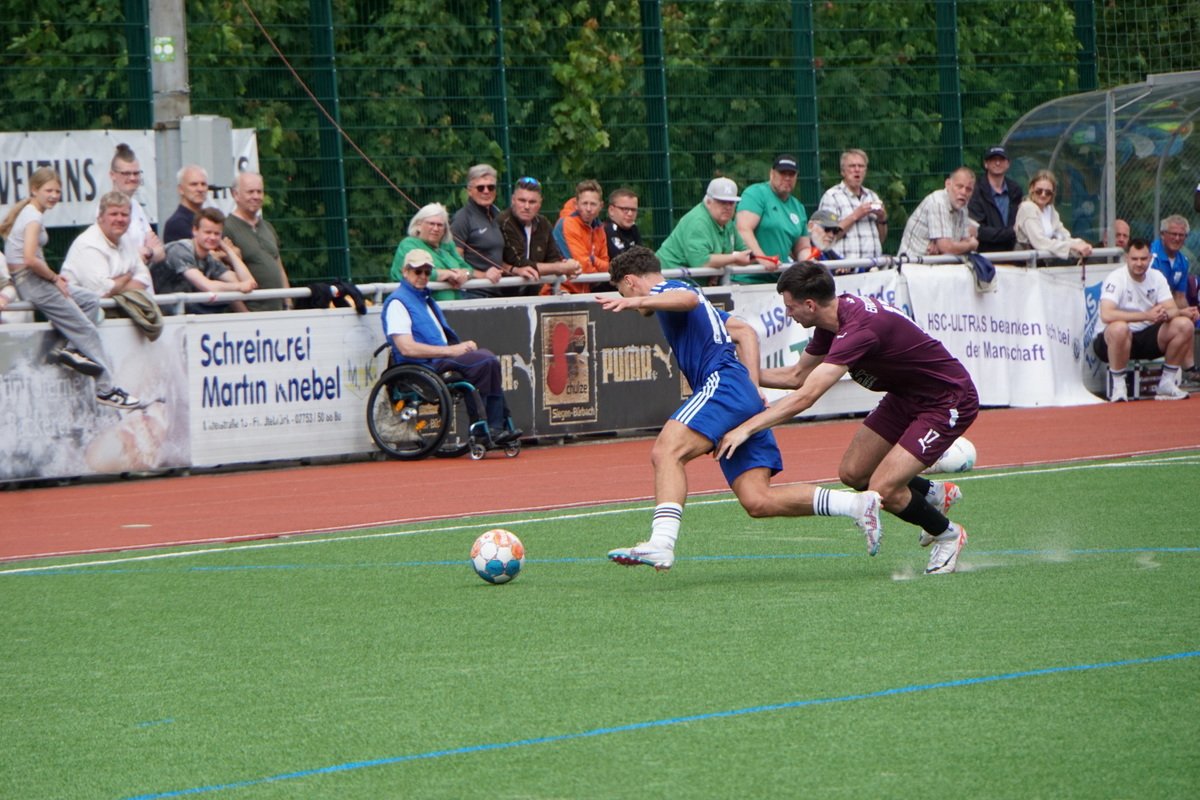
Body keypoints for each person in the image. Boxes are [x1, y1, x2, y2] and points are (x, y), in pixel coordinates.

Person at [598, 246, 881, 572]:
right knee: (757, 500)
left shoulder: (668, 290)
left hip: (722, 385)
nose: (627, 301)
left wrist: (637, 302)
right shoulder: (695, 307)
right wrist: (753, 387)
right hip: (738, 392)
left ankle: (661, 543)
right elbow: (745, 332)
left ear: (630, 282)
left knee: (666, 452)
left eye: (623, 292)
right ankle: (856, 504)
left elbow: (686, 298)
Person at [716, 261, 977, 575]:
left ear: (810, 305)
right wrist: (734, 374)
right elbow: (796, 376)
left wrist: (745, 429)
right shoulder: (830, 322)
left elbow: (806, 396)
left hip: (946, 400)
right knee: (854, 473)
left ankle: (947, 535)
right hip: (905, 397)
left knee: (883, 488)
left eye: (790, 307)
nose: (788, 314)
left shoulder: (859, 330)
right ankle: (934, 494)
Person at [0, 167, 141, 409]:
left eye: (57, 191)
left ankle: (67, 350)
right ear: (34, 190)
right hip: (32, 281)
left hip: (34, 280)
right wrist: (54, 279)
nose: (54, 196)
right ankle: (106, 389)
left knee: (90, 301)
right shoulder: (33, 217)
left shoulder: (31, 212)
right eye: (49, 190)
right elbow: (30, 258)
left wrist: (52, 279)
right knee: (87, 330)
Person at [382, 249, 522, 444]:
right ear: (405, 272)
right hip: (422, 366)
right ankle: (487, 429)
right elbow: (407, 349)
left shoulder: (425, 300)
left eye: (427, 272)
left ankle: (496, 426)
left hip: (438, 360)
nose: (423, 276)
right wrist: (451, 351)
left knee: (488, 362)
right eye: (417, 271)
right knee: (485, 360)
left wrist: (459, 348)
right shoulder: (398, 303)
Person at [1092, 238, 1192, 401]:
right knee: (1119, 328)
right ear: (1127, 258)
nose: (1139, 263)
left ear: (1150, 258)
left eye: (1143, 259)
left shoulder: (1157, 277)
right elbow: (1107, 314)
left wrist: (1164, 315)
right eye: (1134, 259)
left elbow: (1173, 309)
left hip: (1146, 336)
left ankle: (1167, 383)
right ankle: (1118, 387)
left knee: (1184, 324)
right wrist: (1146, 315)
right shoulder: (1116, 278)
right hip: (1111, 341)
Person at [152, 208, 257, 314]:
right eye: (208, 232)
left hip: (183, 314)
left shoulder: (209, 259)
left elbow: (249, 282)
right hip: (158, 315)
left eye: (217, 234)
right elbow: (208, 286)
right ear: (195, 231)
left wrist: (228, 251)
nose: (212, 237)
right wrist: (239, 287)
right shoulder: (180, 250)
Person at [221, 171, 293, 311]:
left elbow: (279, 267)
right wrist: (244, 314)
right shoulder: (226, 228)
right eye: (250, 192)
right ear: (235, 195)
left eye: (259, 192)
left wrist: (288, 302)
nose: (256, 196)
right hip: (251, 313)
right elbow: (224, 275)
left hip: (279, 312)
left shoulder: (268, 227)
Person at [62, 191, 153, 298]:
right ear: (100, 218)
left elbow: (145, 278)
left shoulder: (126, 239)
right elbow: (101, 292)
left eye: (124, 215)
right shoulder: (88, 244)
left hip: (116, 306)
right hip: (81, 307)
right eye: (113, 214)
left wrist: (114, 287)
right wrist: (129, 275)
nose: (120, 219)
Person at [734, 154, 809, 283]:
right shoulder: (756, 193)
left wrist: (809, 261)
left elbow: (802, 248)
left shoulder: (798, 207)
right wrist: (762, 258)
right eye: (782, 173)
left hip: (781, 280)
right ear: (772, 173)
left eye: (791, 174)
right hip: (748, 279)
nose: (787, 178)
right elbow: (743, 229)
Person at [655, 177, 754, 275]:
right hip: (666, 276)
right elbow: (701, 262)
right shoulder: (698, 222)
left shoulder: (727, 222)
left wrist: (757, 257)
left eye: (731, 203)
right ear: (708, 202)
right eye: (722, 202)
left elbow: (744, 253)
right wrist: (734, 258)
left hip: (690, 279)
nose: (728, 207)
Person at [497, 177, 579, 292]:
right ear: (513, 200)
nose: (526, 206)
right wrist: (561, 268)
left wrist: (568, 266)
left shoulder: (543, 223)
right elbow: (519, 263)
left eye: (532, 202)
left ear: (540, 203)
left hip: (534, 293)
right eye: (522, 201)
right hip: (501, 293)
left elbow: (553, 257)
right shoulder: (504, 222)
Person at [390, 203, 473, 301]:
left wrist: (465, 274)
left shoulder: (448, 245)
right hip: (420, 302)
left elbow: (468, 269)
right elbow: (416, 273)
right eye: (431, 224)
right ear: (419, 225)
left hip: (455, 304)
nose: (435, 229)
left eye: (440, 225)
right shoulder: (409, 244)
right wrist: (448, 274)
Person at [817, 149, 888, 261]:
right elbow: (825, 239)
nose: (857, 170)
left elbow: (881, 239)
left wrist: (882, 219)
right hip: (845, 266)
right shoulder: (831, 197)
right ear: (842, 171)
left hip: (874, 264)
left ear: (865, 171)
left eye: (861, 166)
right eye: (852, 166)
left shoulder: (872, 196)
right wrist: (855, 216)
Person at [450, 164, 507, 298]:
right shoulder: (462, 218)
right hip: (473, 293)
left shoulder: (497, 215)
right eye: (480, 188)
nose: (486, 191)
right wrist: (483, 275)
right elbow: (454, 262)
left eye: (491, 187)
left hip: (498, 291)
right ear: (470, 191)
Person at [899, 167, 979, 258]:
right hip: (910, 262)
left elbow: (963, 241)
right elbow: (947, 248)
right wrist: (970, 246)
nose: (964, 192)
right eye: (959, 186)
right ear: (948, 184)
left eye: (969, 189)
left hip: (934, 262)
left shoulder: (962, 206)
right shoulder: (938, 202)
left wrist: (954, 246)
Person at [1013, 170, 1093, 260]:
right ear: (1032, 189)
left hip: (1044, 261)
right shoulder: (1027, 208)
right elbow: (1039, 241)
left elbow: (1063, 235)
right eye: (1039, 191)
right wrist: (1071, 246)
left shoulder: (1050, 209)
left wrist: (1079, 243)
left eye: (1048, 192)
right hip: (1027, 263)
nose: (1043, 195)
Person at [108, 142, 165, 267]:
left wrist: (148, 252)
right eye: (126, 173)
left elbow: (160, 252)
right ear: (112, 175)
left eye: (136, 173)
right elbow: (115, 255)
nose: (132, 178)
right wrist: (147, 252)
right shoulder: (106, 209)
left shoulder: (136, 207)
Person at [548, 179, 609, 294]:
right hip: (560, 291)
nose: (589, 209)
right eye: (585, 203)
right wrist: (596, 265)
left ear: (601, 206)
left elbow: (607, 266)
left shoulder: (599, 228)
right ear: (576, 205)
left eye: (593, 204)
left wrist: (592, 259)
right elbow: (583, 267)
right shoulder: (568, 223)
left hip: (583, 291)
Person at [968, 146, 1022, 253]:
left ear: (1008, 164)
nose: (997, 163)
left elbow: (1020, 225)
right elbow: (978, 230)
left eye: (1001, 159)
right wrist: (1012, 232)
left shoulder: (1015, 190)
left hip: (1013, 253)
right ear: (986, 164)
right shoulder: (975, 190)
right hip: (985, 254)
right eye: (993, 159)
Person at [162, 165, 210, 244]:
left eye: (203, 184)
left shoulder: (208, 218)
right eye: (194, 184)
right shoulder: (177, 224)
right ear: (181, 189)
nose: (200, 189)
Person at [604, 187, 642, 260]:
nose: (630, 214)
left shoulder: (634, 229)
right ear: (611, 210)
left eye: (633, 210)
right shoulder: (605, 231)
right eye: (625, 209)